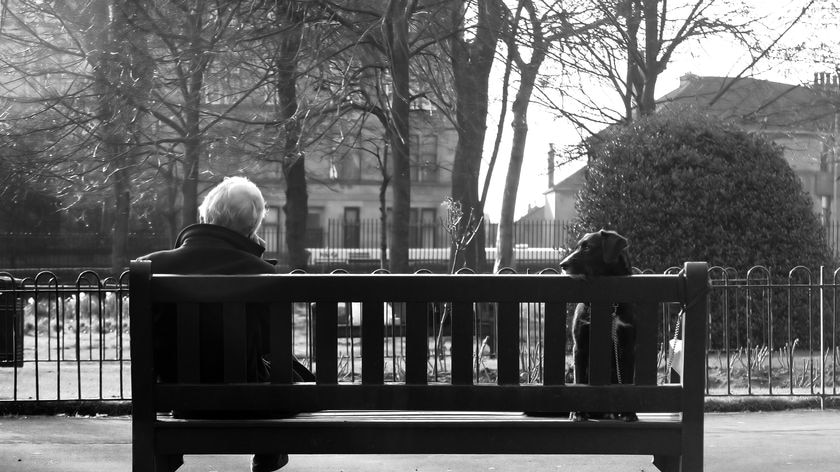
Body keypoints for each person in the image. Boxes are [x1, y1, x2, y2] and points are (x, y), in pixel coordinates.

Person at [139, 176, 313, 472]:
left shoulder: (152, 266)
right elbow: (272, 347)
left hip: (179, 398)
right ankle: (269, 451)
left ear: (205, 215)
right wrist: (253, 255)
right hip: (248, 401)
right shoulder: (262, 274)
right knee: (293, 376)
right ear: (251, 229)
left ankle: (166, 456)